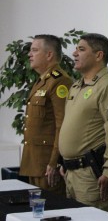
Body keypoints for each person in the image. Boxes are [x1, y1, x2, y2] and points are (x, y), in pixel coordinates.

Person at [58, 33, 108, 212]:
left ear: (99, 55)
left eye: (81, 49)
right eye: (76, 48)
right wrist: (63, 161)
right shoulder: (76, 85)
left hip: (91, 174)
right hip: (69, 172)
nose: (74, 53)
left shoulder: (107, 85)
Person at [19, 34, 72, 195]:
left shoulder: (59, 81)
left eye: (34, 50)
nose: (29, 54)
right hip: (34, 163)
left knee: (50, 213)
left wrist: (54, 162)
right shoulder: (42, 80)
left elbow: (61, 125)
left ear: (49, 55)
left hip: (47, 165)